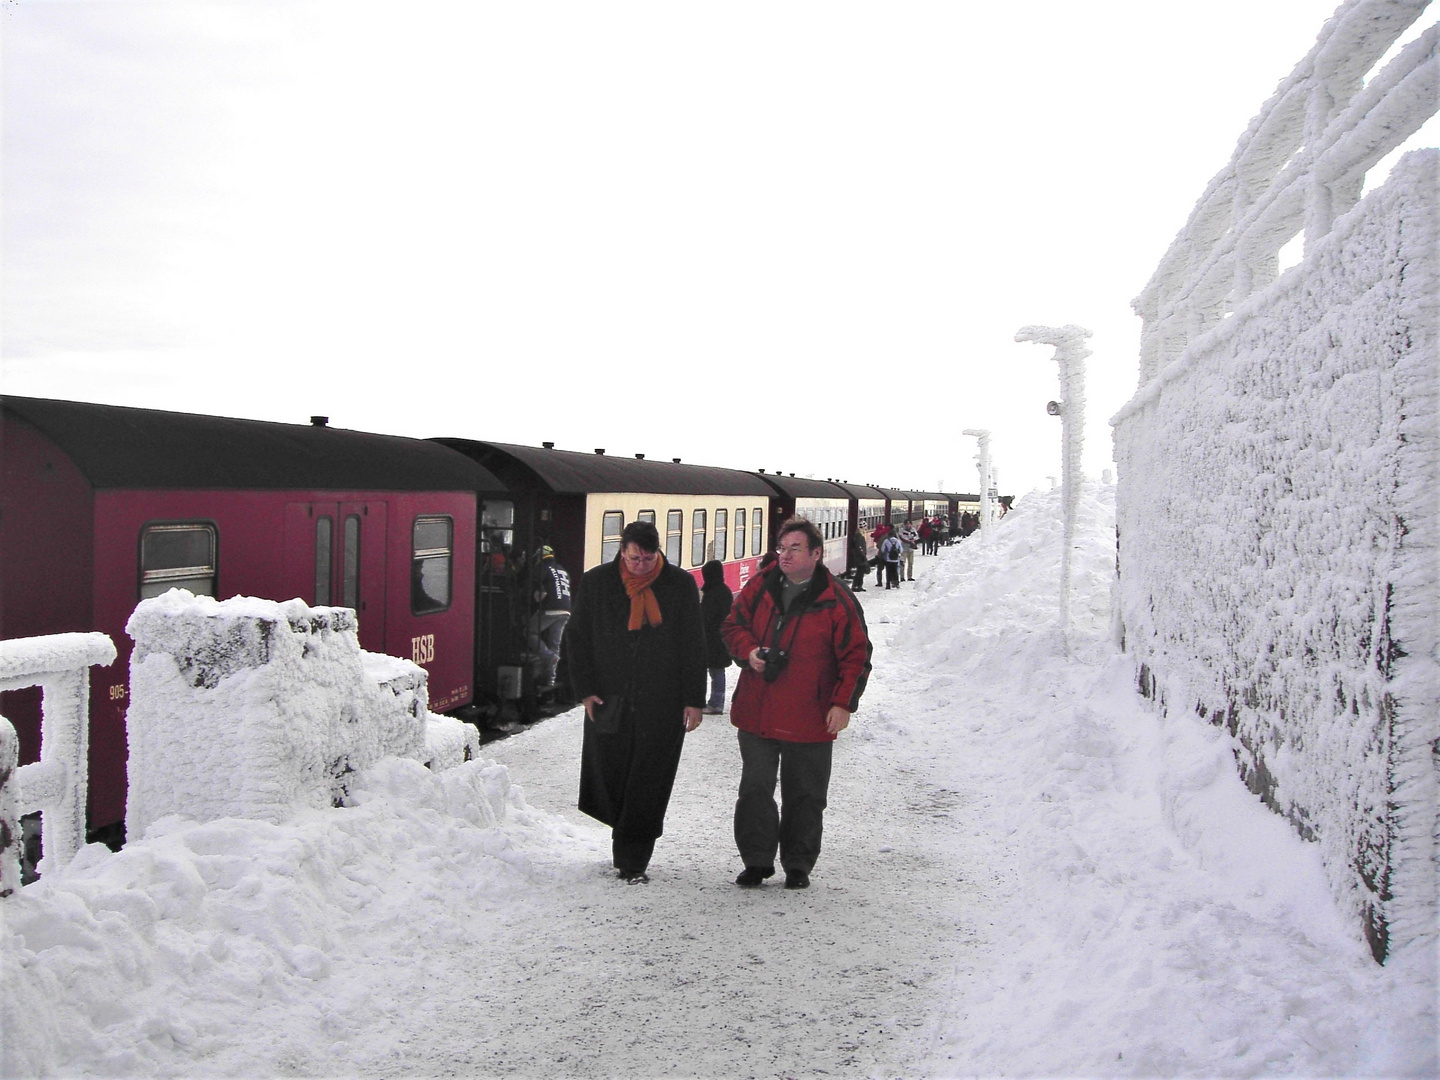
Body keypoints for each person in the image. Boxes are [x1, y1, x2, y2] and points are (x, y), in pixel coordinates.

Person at [721, 519, 871, 890]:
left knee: (805, 794)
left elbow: (857, 655)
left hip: (811, 715)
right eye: (781, 548)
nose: (784, 555)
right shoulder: (760, 586)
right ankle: (756, 861)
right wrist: (750, 651)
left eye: (794, 549)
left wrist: (843, 704)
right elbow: (732, 626)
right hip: (758, 709)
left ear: (816, 554)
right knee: (755, 790)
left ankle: (798, 864)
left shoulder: (836, 599)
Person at [566, 521, 706, 882]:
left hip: (663, 702)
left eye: (647, 558)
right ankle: (623, 838)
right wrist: (584, 689)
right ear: (622, 551)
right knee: (611, 775)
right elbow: (577, 638)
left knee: (649, 780)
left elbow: (694, 643)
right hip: (609, 699)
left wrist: (694, 699)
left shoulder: (679, 584)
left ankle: (633, 860)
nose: (640, 565)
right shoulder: (598, 583)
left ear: (658, 552)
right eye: (633, 558)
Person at [527, 546, 571, 688]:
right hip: (566, 610)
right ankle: (551, 680)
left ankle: (547, 656)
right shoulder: (562, 569)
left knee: (529, 632)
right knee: (555, 644)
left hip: (550, 608)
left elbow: (531, 582)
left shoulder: (543, 566)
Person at [700, 559, 734, 715]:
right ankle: (716, 702)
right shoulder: (725, 591)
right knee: (717, 671)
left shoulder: (712, 592)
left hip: (712, 638)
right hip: (721, 638)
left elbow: (706, 616)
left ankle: (714, 703)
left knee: (712, 671)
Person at [846, 525, 868, 592]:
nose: (865, 529)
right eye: (864, 528)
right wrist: (863, 555)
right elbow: (859, 547)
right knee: (860, 573)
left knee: (860, 572)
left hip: (859, 557)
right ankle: (856, 586)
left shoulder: (859, 535)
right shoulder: (859, 536)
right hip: (859, 558)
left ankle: (858, 586)